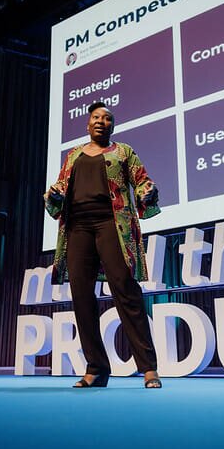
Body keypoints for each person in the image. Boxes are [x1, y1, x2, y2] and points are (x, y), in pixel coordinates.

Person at [44, 102, 162, 388]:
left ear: (112, 125)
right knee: (82, 297)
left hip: (112, 225)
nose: (101, 121)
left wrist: (148, 192)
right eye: (96, 117)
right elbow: (59, 190)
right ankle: (96, 368)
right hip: (77, 228)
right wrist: (53, 195)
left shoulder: (123, 152)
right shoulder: (73, 155)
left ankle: (148, 368)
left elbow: (142, 181)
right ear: (88, 124)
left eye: (107, 118)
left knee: (125, 290)